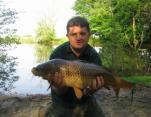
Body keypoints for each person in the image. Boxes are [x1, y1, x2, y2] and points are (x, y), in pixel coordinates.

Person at [46, 16, 105, 117]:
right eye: (74, 34)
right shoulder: (57, 55)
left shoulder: (94, 56)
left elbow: (86, 93)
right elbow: (59, 92)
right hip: (62, 100)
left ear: (89, 35)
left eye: (82, 33)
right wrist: (59, 87)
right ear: (68, 36)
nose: (78, 38)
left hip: (85, 100)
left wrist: (92, 90)